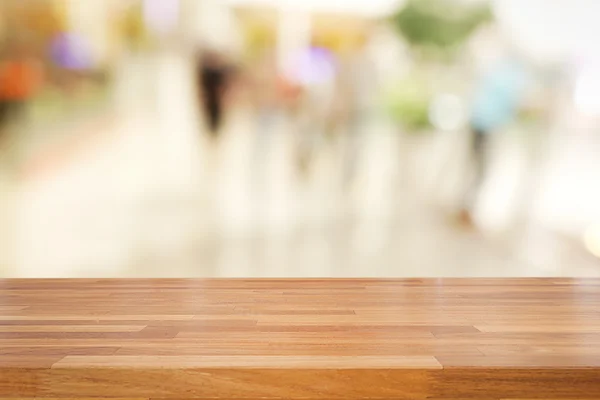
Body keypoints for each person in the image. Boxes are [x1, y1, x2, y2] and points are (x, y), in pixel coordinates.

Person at [460, 57, 528, 224]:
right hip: (487, 126)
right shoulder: (513, 79)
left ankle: (465, 206)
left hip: (477, 122)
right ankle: (466, 208)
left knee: (474, 166)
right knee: (481, 170)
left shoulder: (496, 71)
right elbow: (514, 105)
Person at [198, 51, 230, 138]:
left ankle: (214, 132)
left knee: (215, 116)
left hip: (215, 101)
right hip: (211, 101)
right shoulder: (207, 72)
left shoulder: (217, 72)